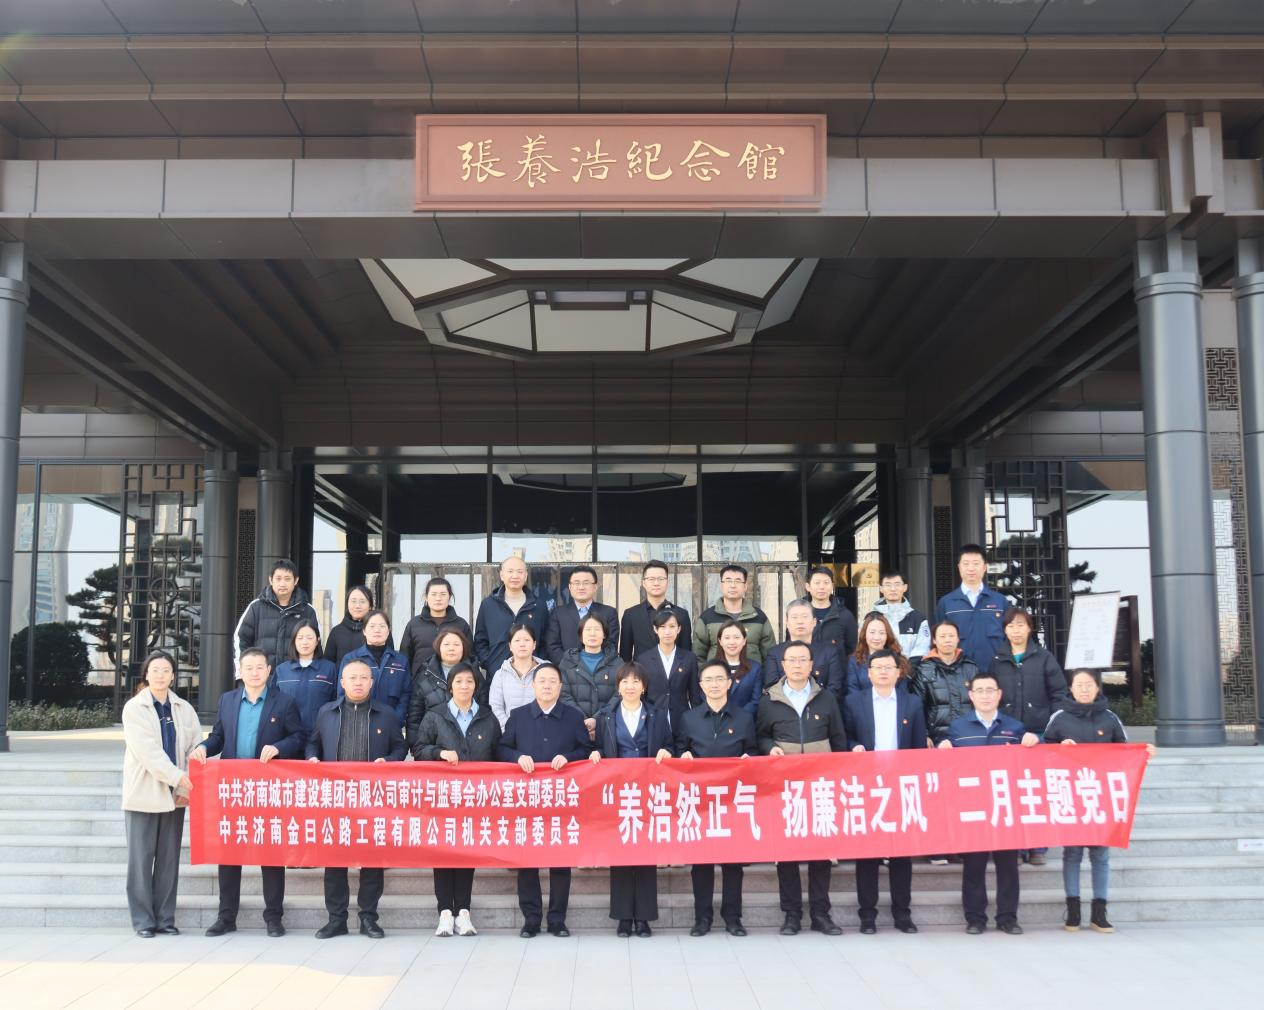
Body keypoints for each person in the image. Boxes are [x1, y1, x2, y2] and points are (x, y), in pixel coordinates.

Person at [192, 647, 306, 937]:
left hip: (268, 789)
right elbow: (219, 736)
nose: (254, 673)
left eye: (259, 667)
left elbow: (298, 737)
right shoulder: (228, 700)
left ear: (269, 671)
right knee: (229, 853)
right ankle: (226, 917)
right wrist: (204, 747)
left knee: (271, 854)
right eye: (249, 668)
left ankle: (274, 917)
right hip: (234, 789)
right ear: (240, 672)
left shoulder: (284, 702)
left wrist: (279, 747)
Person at [1044, 669, 1154, 933]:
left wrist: (1143, 753)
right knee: (1072, 853)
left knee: (1100, 854)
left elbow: (1125, 752)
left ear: (1097, 688)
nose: (1084, 689)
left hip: (1100, 795)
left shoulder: (1110, 718)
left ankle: (1099, 911)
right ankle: (1073, 910)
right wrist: (1059, 748)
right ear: (1071, 689)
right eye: (1079, 685)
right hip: (1071, 793)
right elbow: (1043, 752)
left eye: (1089, 685)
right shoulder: (1059, 718)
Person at [306, 658, 407, 939]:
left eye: (364, 678)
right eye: (353, 678)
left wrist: (389, 761)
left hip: (372, 799)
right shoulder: (327, 712)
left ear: (372, 682)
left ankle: (368, 918)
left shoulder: (386, 714)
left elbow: (400, 747)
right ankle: (336, 919)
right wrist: (312, 757)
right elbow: (313, 742)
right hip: (336, 798)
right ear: (342, 682)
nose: (358, 682)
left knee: (372, 859)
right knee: (334, 860)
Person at [757, 640, 848, 936]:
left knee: (820, 852)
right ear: (783, 665)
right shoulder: (769, 699)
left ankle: (821, 913)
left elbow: (839, 739)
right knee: (787, 852)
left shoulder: (826, 698)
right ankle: (792, 914)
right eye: (791, 660)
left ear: (811, 665)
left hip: (820, 786)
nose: (797, 665)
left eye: (802, 660)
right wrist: (769, 748)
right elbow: (760, 736)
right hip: (784, 787)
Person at [940, 671, 1040, 935]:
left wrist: (1035, 740)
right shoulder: (958, 727)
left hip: (1004, 806)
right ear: (971, 696)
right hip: (973, 807)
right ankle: (975, 918)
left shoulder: (1014, 728)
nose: (985, 695)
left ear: (999, 695)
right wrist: (943, 747)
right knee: (974, 866)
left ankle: (1008, 918)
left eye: (990, 690)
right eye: (980, 691)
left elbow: (1032, 759)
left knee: (1008, 866)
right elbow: (946, 764)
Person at [497, 664, 592, 937]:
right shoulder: (519, 716)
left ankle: (557, 919)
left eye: (552, 681)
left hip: (561, 800)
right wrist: (518, 757)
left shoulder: (573, 717)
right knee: (527, 861)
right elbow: (502, 748)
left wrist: (569, 758)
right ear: (533, 686)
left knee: (560, 861)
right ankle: (531, 919)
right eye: (542, 681)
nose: (547, 685)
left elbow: (586, 749)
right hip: (527, 800)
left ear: (560, 687)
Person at [411, 662, 501, 938]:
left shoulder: (487, 717)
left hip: (474, 797)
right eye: (459, 681)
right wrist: (439, 753)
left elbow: (498, 754)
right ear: (450, 686)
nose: (464, 686)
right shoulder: (435, 715)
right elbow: (419, 749)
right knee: (443, 851)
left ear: (476, 686)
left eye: (469, 681)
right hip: (442, 797)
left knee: (466, 851)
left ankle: (463, 911)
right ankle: (444, 913)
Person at [843, 649, 926, 934]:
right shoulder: (854, 701)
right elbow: (846, 736)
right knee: (867, 854)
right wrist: (853, 746)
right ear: (868, 673)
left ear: (898, 672)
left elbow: (918, 747)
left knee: (901, 854)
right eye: (877, 667)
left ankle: (902, 914)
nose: (882, 671)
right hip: (867, 784)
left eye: (888, 667)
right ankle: (867, 916)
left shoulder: (912, 703)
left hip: (900, 785)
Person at [121, 650, 202, 938]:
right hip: (144, 793)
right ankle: (143, 921)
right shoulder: (135, 708)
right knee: (141, 861)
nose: (160, 675)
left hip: (175, 795)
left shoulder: (184, 708)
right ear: (146, 674)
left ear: (173, 676)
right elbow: (148, 753)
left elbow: (195, 745)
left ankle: (165, 918)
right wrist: (178, 776)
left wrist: (186, 780)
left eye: (165, 670)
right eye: (154, 670)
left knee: (168, 861)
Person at [589, 664, 674, 937]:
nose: (630, 686)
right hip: (619, 792)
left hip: (649, 791)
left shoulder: (657, 715)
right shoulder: (606, 716)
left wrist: (667, 752)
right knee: (621, 852)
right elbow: (600, 748)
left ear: (644, 687)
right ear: (618, 686)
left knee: (646, 853)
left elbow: (670, 745)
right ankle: (624, 917)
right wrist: (596, 754)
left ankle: (644, 918)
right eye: (625, 681)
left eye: (636, 681)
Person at [675, 658, 757, 936]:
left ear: (729, 683)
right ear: (700, 686)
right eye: (708, 680)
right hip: (700, 802)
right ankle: (702, 918)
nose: (714, 684)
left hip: (733, 800)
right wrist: (683, 756)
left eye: (719, 679)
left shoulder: (744, 718)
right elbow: (680, 750)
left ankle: (733, 917)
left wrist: (749, 759)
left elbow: (753, 751)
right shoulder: (689, 718)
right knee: (701, 862)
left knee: (733, 863)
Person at [990, 606, 1069, 866]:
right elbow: (989, 695)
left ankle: (1037, 848)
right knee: (1010, 792)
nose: (1016, 630)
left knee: (1037, 791)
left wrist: (1049, 729)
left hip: (1038, 734)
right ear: (1005, 630)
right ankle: (1014, 847)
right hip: (1006, 735)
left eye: (1021, 625)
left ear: (1030, 628)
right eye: (1011, 625)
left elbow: (1059, 696)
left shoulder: (1044, 658)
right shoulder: (997, 659)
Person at [933, 544, 1009, 673]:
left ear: (984, 567)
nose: (971, 568)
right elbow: (937, 639)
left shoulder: (1000, 601)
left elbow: (1009, 637)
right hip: (957, 673)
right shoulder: (946, 603)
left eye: (976, 563)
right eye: (966, 564)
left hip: (994, 672)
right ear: (959, 567)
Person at [405, 625, 486, 745]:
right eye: (446, 644)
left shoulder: (474, 674)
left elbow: (484, 710)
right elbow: (415, 716)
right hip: (434, 744)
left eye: (456, 645)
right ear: (438, 647)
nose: (451, 648)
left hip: (471, 743)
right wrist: (415, 745)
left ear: (463, 648)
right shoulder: (425, 674)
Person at [235, 559, 320, 670]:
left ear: (295, 580)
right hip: (262, 676)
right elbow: (241, 639)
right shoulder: (256, 607)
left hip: (295, 676)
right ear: (271, 580)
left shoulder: (307, 610)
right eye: (278, 579)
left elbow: (317, 645)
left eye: (287, 579)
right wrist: (243, 672)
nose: (282, 584)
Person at [474, 556, 549, 675]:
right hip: (497, 673)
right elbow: (480, 640)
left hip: (531, 675)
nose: (515, 576)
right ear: (502, 575)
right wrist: (489, 663)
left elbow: (545, 641)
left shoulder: (538, 606)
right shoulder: (488, 605)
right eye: (510, 571)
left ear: (526, 575)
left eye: (519, 572)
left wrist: (538, 665)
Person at [909, 620, 977, 746]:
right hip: (936, 738)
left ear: (958, 639)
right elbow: (917, 707)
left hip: (969, 736)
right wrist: (923, 734)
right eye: (942, 636)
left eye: (951, 636)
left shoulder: (971, 667)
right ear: (934, 640)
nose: (947, 640)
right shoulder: (924, 670)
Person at [763, 601, 846, 705]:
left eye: (804, 617)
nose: (800, 622)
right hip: (784, 709)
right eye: (794, 617)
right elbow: (772, 688)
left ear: (814, 622)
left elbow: (835, 689)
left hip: (821, 710)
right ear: (787, 623)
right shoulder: (774, 653)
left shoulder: (830, 652)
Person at [338, 609, 411, 725]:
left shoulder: (401, 661)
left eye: (382, 626)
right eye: (372, 626)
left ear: (388, 631)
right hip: (358, 724)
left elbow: (405, 695)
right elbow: (342, 694)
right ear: (364, 631)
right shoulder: (350, 659)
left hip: (390, 724)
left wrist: (396, 720)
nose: (377, 630)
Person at [559, 614, 623, 741]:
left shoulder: (617, 663)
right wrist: (583, 720)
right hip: (574, 726)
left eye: (597, 629)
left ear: (604, 634)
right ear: (581, 634)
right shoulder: (568, 661)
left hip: (608, 727)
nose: (592, 634)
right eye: (588, 629)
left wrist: (596, 719)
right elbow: (563, 694)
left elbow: (619, 694)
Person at [693, 564, 775, 662]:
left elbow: (770, 655)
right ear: (721, 586)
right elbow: (697, 656)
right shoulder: (707, 617)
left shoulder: (758, 616)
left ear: (745, 586)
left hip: (752, 671)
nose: (733, 585)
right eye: (728, 581)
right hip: (718, 671)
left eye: (738, 581)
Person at [618, 560, 692, 661]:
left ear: (667, 582)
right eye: (651, 579)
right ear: (644, 583)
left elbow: (686, 653)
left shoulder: (681, 614)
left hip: (673, 670)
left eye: (661, 579)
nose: (656, 583)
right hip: (641, 670)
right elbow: (625, 655)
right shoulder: (631, 615)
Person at [545, 565, 619, 666]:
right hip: (566, 671)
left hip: (599, 671)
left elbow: (611, 646)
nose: (581, 587)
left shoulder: (609, 613)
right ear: (570, 587)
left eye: (586, 583)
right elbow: (552, 647)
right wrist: (570, 667)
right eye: (576, 583)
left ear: (595, 587)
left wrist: (593, 667)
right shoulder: (558, 613)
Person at [274, 619, 338, 734]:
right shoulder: (281, 670)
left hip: (320, 734)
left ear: (317, 641)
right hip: (288, 735)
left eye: (309, 638)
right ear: (294, 641)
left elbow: (336, 703)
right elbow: (273, 704)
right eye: (300, 638)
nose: (305, 642)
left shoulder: (330, 669)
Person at [398, 577, 472, 674]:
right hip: (420, 681)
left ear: (449, 597)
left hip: (453, 680)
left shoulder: (461, 624)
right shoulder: (414, 624)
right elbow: (404, 658)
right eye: (433, 594)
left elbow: (470, 657)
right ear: (426, 597)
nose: (438, 598)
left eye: (443, 594)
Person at [643, 608, 699, 728]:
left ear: (678, 629)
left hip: (682, 719)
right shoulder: (644, 659)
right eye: (663, 627)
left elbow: (694, 694)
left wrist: (697, 722)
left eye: (672, 626)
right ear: (655, 629)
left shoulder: (689, 658)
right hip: (653, 720)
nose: (667, 632)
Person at [488, 622, 548, 729]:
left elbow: (554, 703)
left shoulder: (547, 671)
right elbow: (496, 707)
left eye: (527, 640)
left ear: (534, 644)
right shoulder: (500, 675)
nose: (522, 644)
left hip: (542, 732)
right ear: (510, 646)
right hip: (509, 732)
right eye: (517, 640)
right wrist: (511, 729)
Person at [845, 612, 910, 698]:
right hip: (863, 705)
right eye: (872, 632)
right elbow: (853, 692)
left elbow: (903, 694)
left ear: (887, 635)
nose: (877, 637)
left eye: (882, 633)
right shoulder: (854, 661)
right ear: (864, 634)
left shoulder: (898, 659)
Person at [873, 569, 931, 660]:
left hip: (910, 668)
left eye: (897, 584)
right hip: (880, 667)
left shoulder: (918, 618)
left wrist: (907, 667)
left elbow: (922, 649)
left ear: (905, 587)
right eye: (888, 585)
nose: (893, 589)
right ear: (881, 589)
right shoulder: (872, 617)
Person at [801, 565, 859, 656]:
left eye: (826, 582)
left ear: (832, 585)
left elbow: (852, 650)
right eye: (817, 583)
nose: (822, 587)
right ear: (808, 586)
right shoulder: (798, 614)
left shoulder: (845, 616)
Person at [713, 619, 764, 716]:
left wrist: (738, 718)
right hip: (715, 721)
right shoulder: (710, 668)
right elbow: (703, 697)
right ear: (720, 641)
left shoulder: (755, 668)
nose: (732, 642)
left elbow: (755, 701)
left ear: (744, 640)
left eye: (736, 637)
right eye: (727, 638)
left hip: (744, 720)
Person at [323, 585, 381, 668]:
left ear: (370, 606)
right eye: (353, 601)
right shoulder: (336, 632)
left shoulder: (379, 631)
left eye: (362, 601)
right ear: (347, 604)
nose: (357, 606)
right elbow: (328, 665)